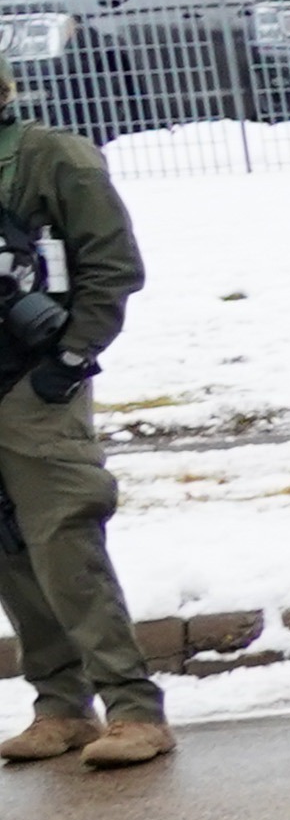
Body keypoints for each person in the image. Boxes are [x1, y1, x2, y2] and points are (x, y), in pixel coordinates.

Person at [0, 59, 165, 770]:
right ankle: (61, 707)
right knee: (8, 551)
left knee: (64, 540)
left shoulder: (50, 159)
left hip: (35, 383)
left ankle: (133, 709)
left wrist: (69, 359)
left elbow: (113, 265)